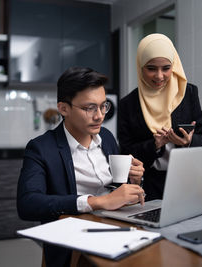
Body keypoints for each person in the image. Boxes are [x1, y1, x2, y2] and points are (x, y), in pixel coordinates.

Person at [17, 67, 145, 267]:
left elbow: (116, 191)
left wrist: (133, 181)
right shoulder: (41, 148)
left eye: (104, 106)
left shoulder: (108, 139)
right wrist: (96, 202)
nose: (100, 116)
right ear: (63, 108)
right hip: (75, 244)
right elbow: (28, 204)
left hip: (119, 232)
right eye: (89, 108)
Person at [118, 33, 202, 201]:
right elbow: (125, 153)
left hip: (186, 182)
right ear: (140, 67)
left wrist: (188, 142)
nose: (159, 76)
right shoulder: (128, 104)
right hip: (148, 185)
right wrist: (154, 144)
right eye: (151, 68)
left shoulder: (188, 93)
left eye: (166, 68)